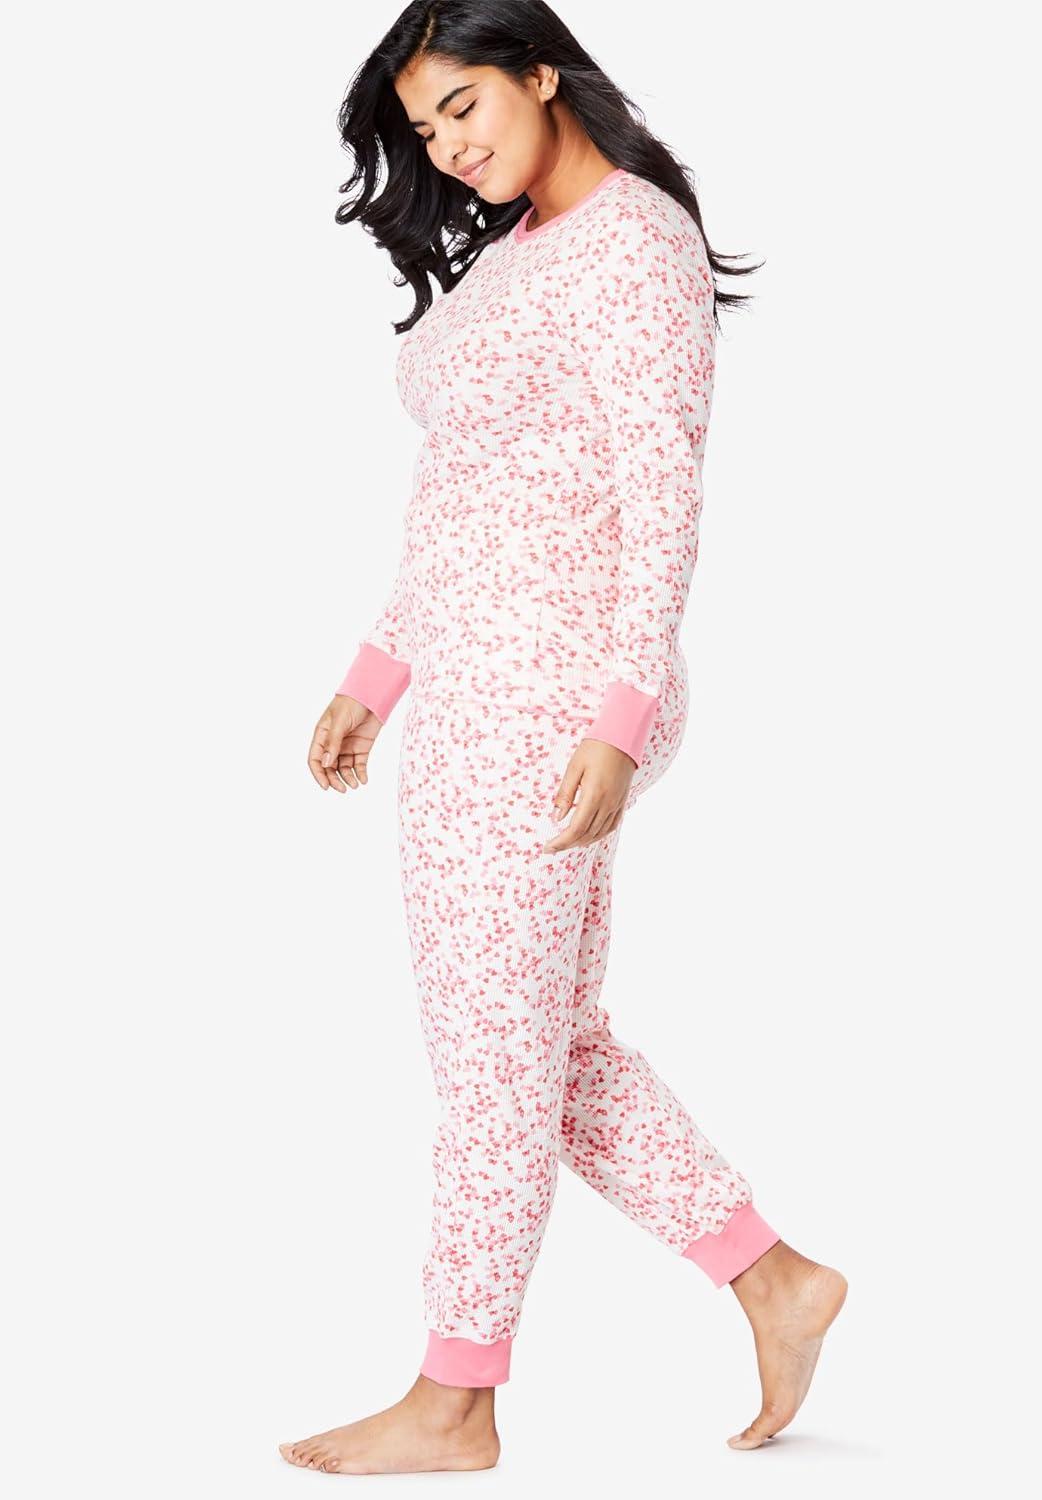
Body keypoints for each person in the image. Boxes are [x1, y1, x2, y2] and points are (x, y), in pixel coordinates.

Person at [287, 1, 846, 1476]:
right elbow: (469, 497)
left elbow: (665, 495)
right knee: (542, 1051)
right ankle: (774, 1279)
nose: (446, 147)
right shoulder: (522, 249)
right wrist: (377, 672)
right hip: (475, 686)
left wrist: (621, 713)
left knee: (489, 1068)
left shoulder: (633, 244)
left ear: (540, 71)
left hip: (551, 702)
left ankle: (455, 1400)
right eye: (423, 129)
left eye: (463, 106)